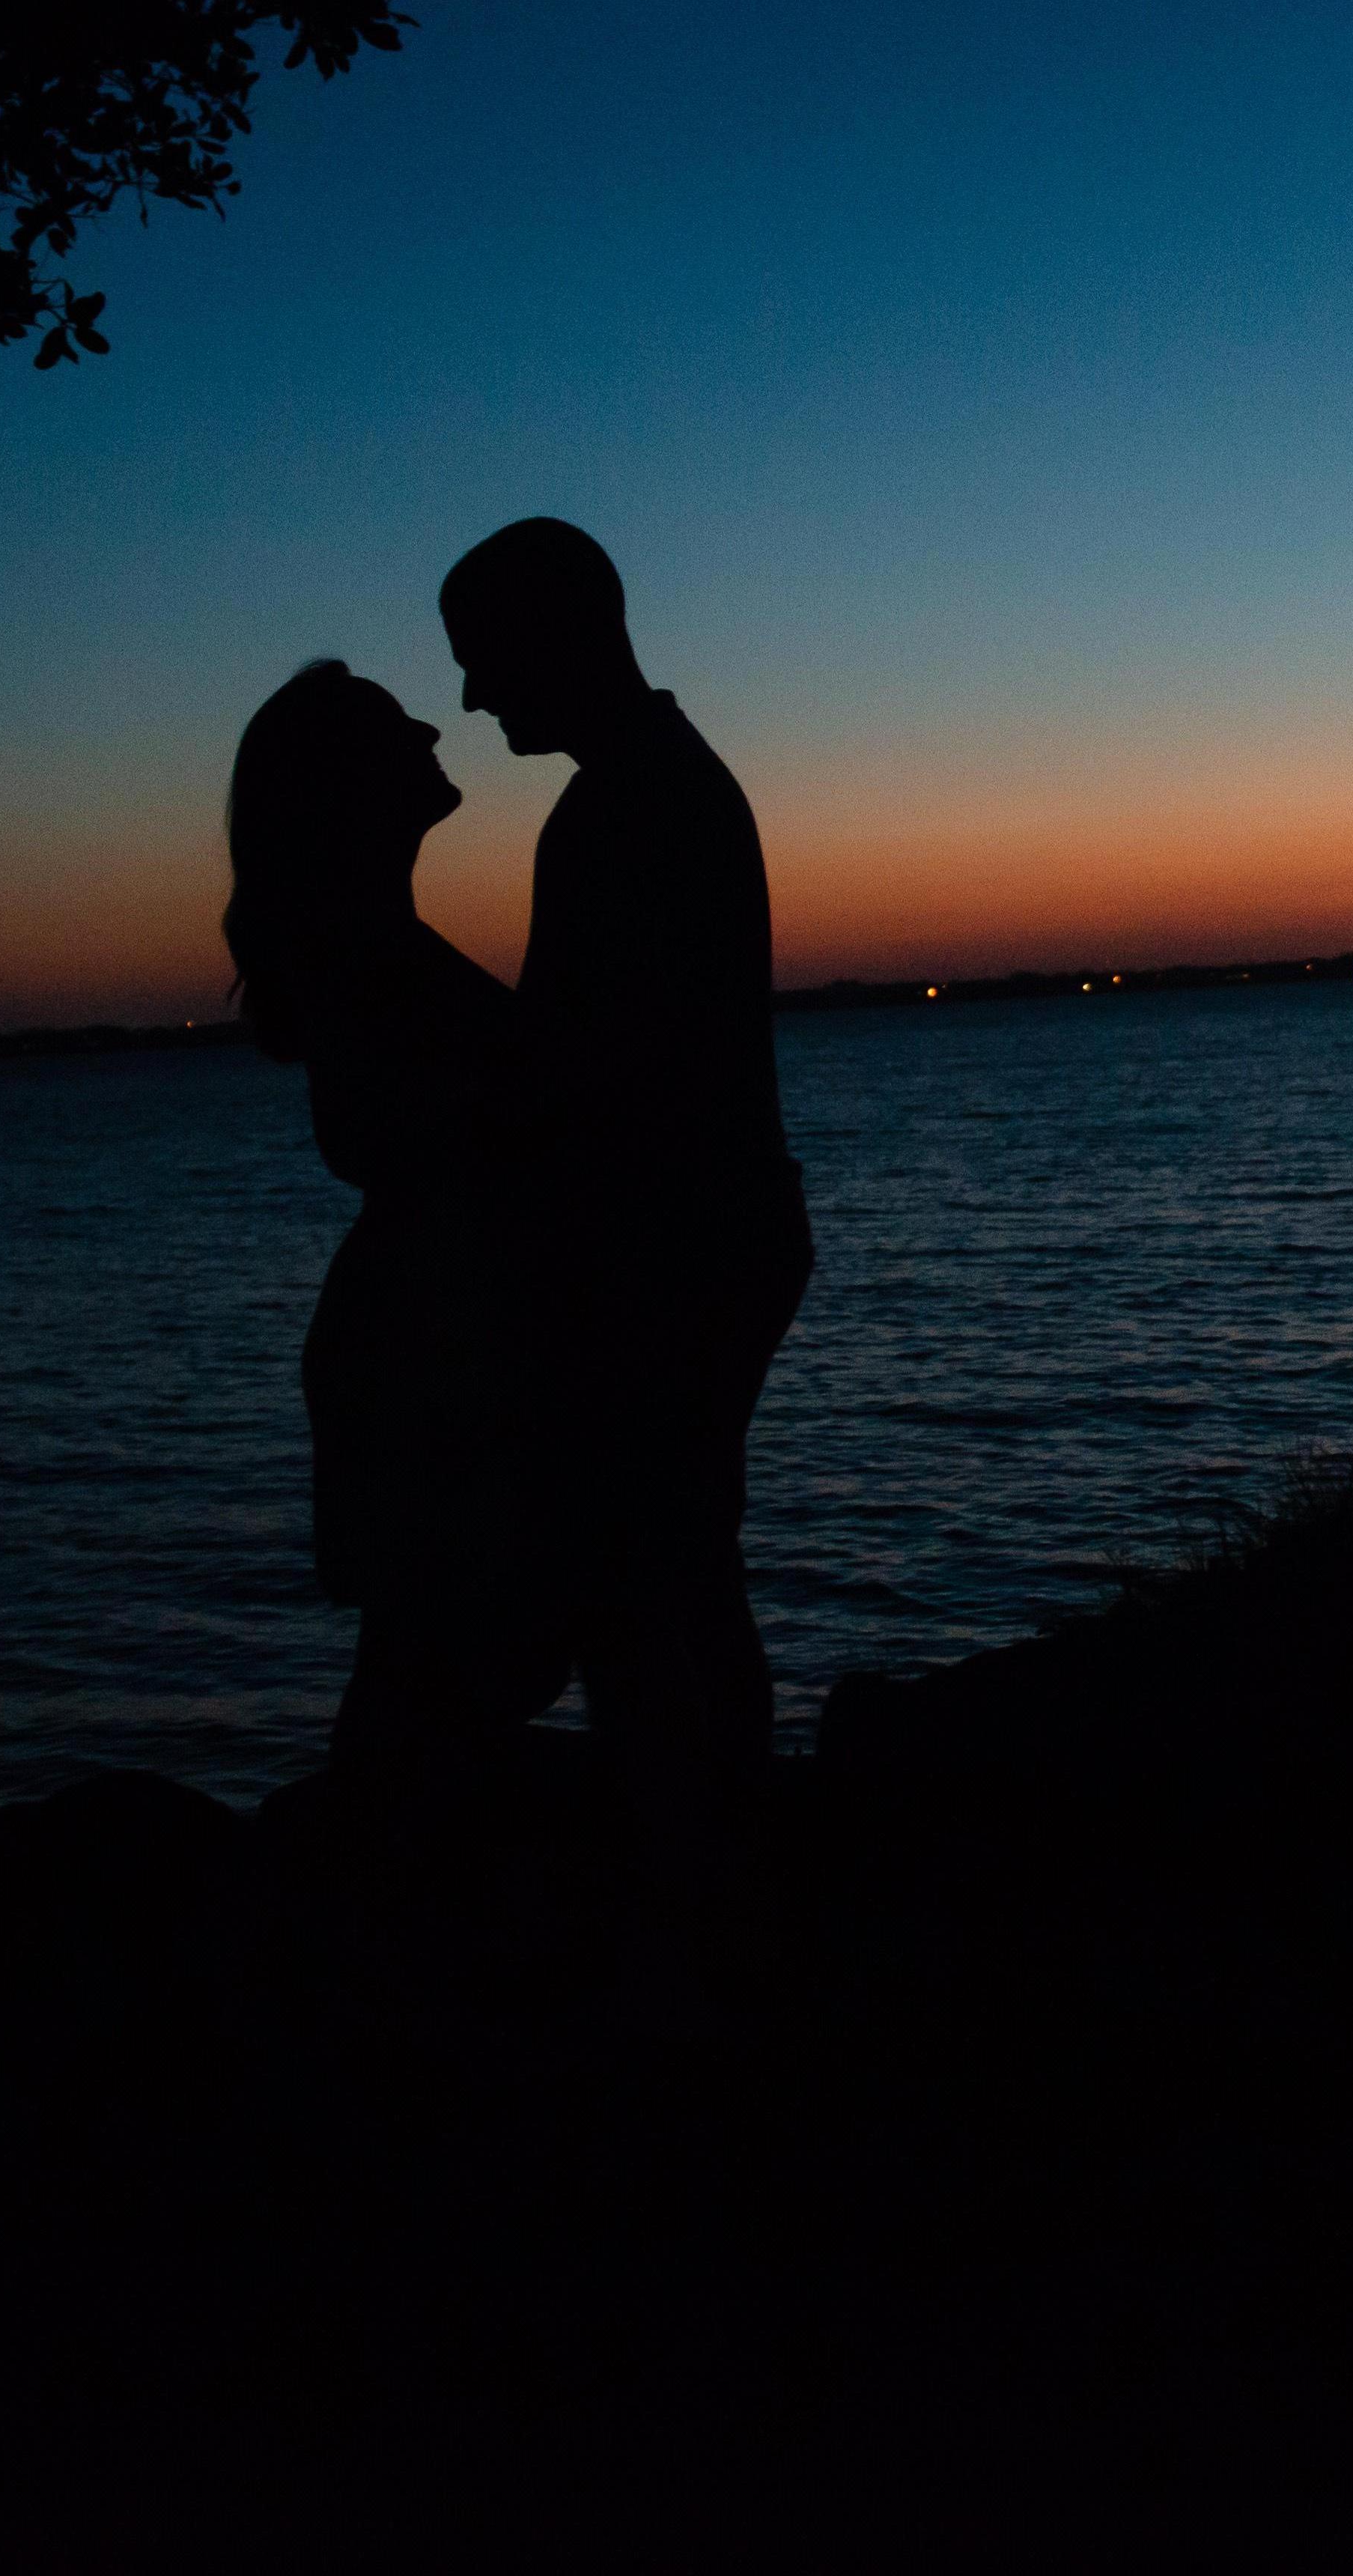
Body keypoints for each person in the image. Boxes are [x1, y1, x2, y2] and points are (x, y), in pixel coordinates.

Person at [437, 517, 815, 1904]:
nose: (472, 695)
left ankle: (694, 1876)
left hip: (680, 1248)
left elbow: (579, 1062)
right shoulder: (651, 787)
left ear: (559, 635)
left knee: (645, 1578)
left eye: (483, 658)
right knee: (682, 1564)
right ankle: (728, 1851)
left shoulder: (626, 808)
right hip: (715, 1232)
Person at [222, 662, 568, 1793]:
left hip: (432, 1325)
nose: (429, 726)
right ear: (347, 784)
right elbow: (421, 1133)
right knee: (442, 1658)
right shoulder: (367, 961)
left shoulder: (373, 949)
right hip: (429, 1340)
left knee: (444, 1656)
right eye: (392, 724)